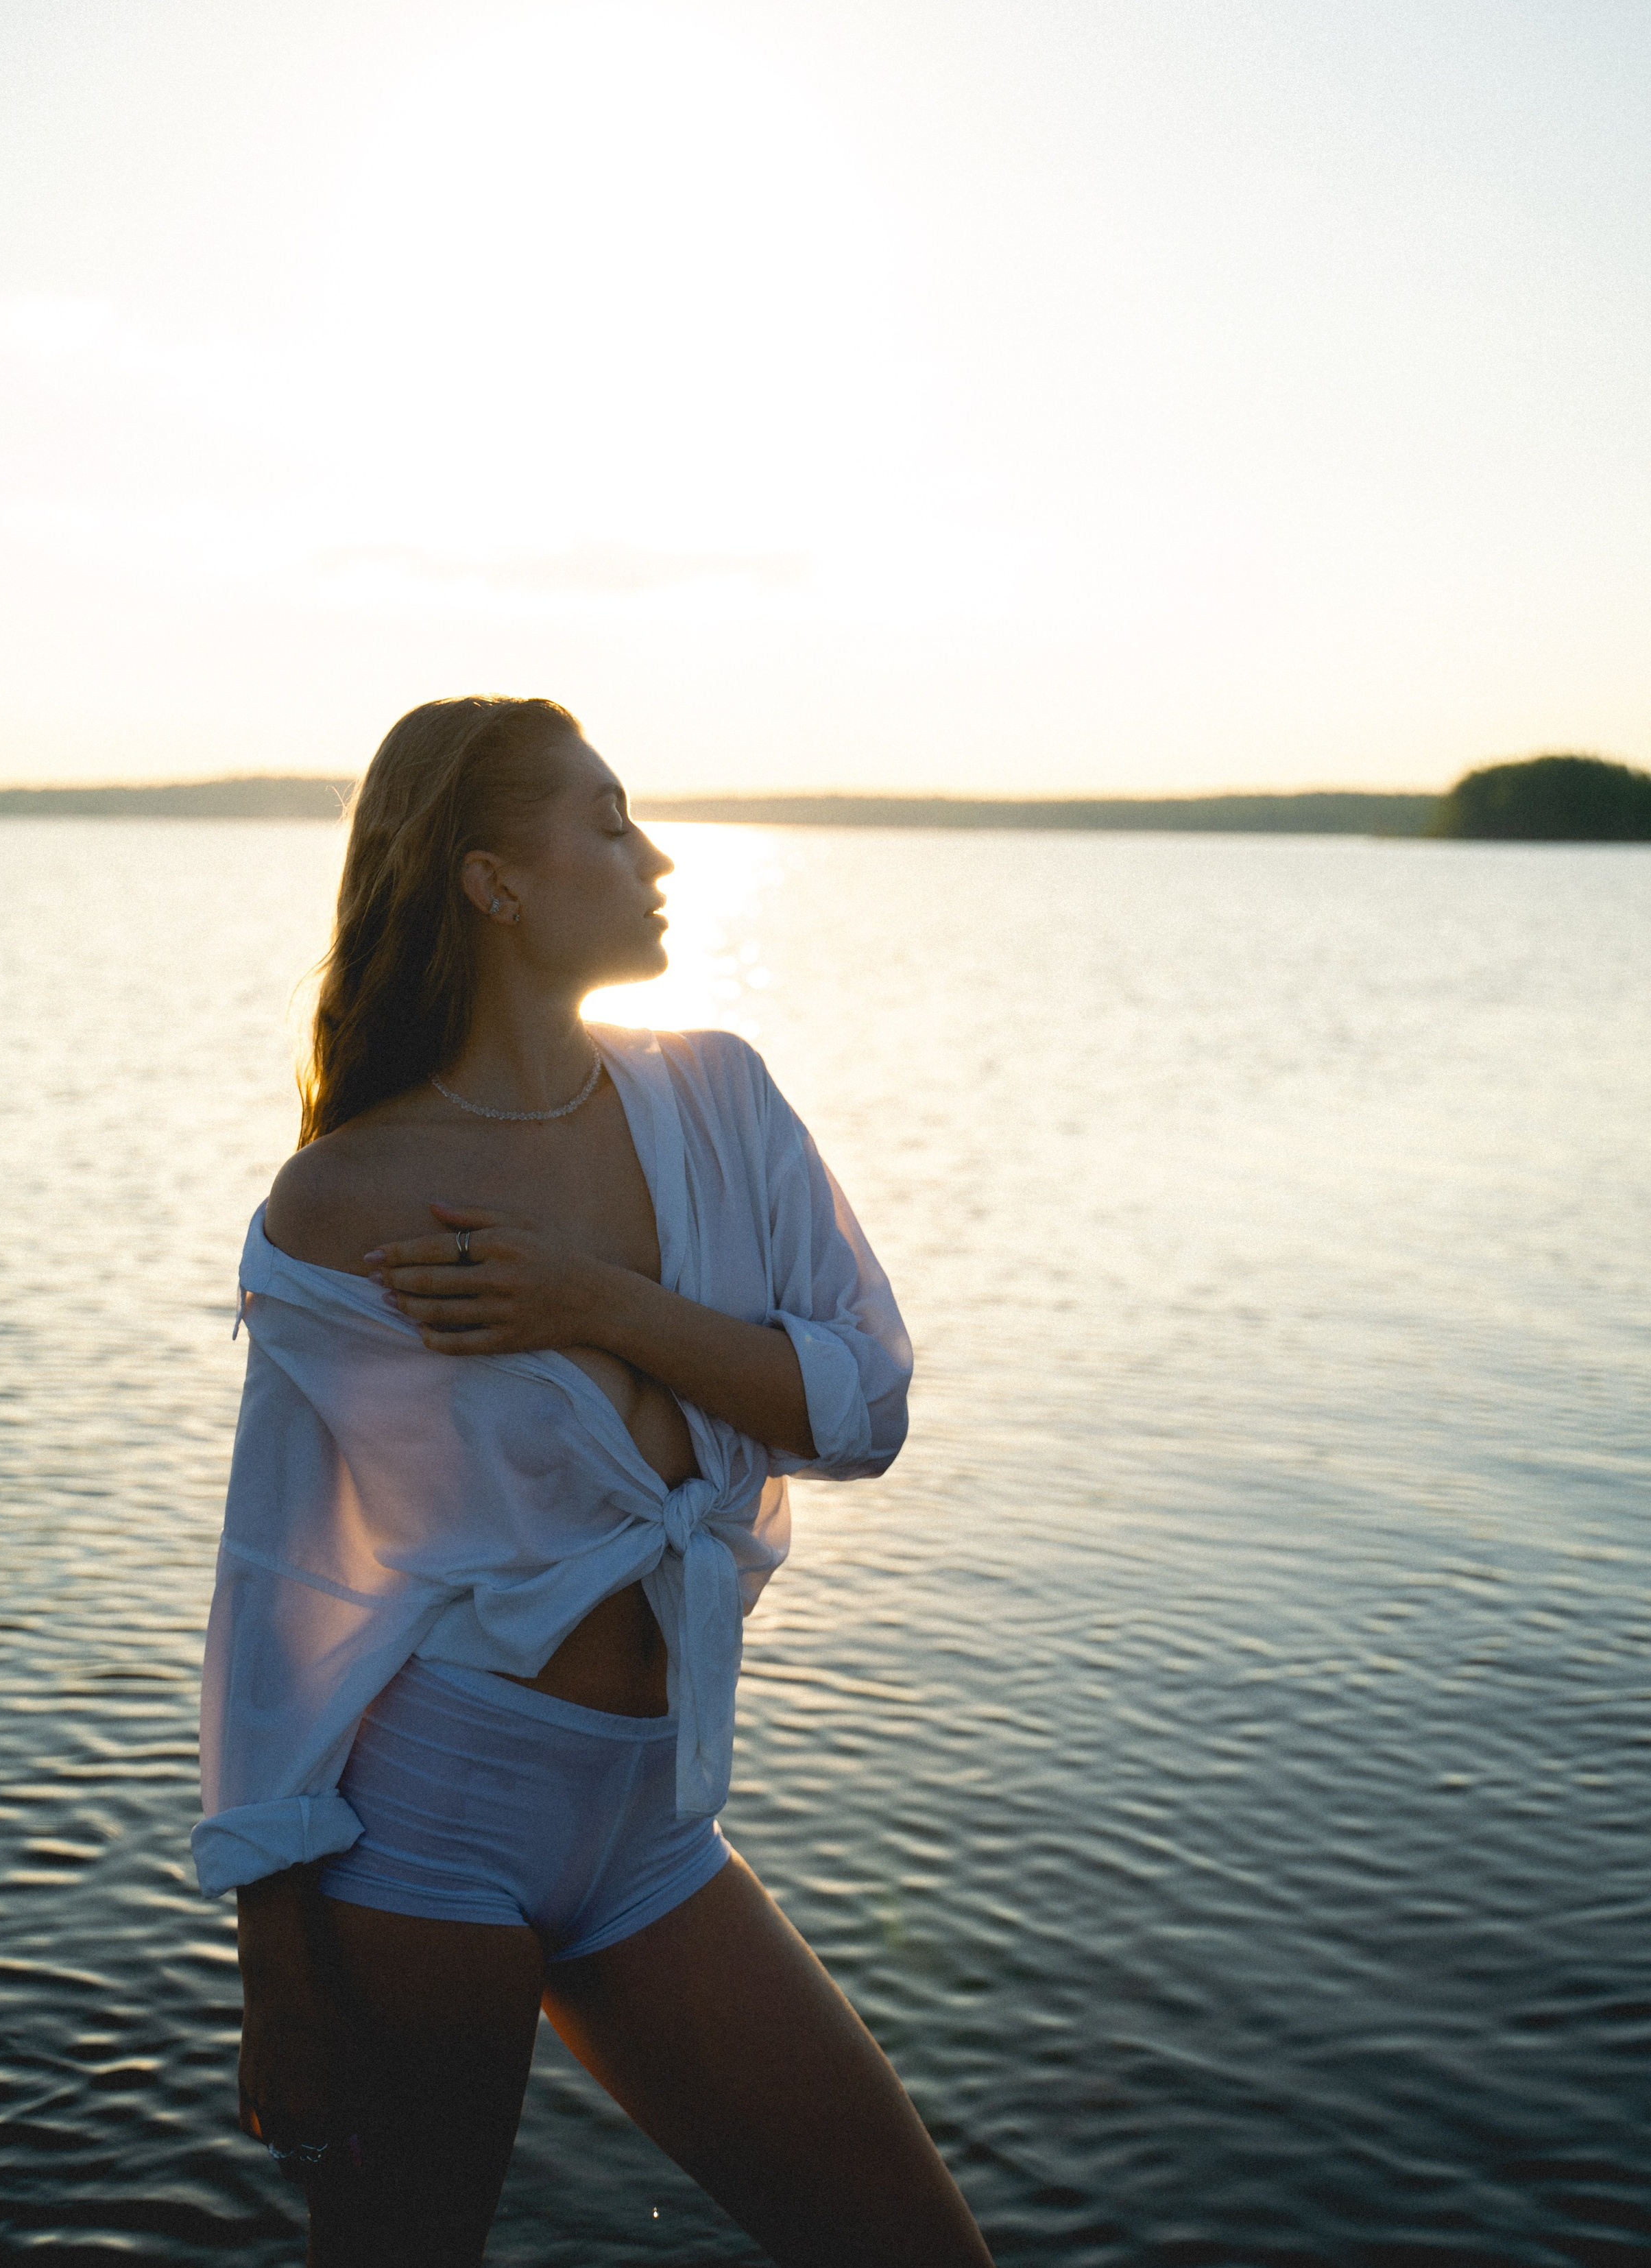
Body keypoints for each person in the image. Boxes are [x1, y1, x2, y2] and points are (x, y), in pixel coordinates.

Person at [193, 695, 993, 2266]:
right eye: (611, 820)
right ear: (492, 879)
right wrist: (276, 1968)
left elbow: (867, 1406)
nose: (656, 852)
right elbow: (275, 1587)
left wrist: (598, 1301)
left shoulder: (719, 1097)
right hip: (426, 1820)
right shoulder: (346, 1196)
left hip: (655, 1816)